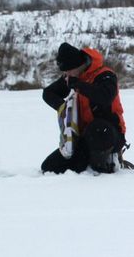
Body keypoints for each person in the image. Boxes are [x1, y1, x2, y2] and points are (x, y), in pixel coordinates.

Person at [41, 42, 128, 174]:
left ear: (77, 65)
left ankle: (111, 160)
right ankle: (89, 161)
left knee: (98, 129)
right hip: (86, 136)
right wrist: (64, 108)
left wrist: (78, 85)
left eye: (68, 70)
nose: (66, 74)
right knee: (49, 167)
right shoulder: (73, 76)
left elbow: (105, 97)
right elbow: (48, 93)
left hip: (110, 134)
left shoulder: (106, 75)